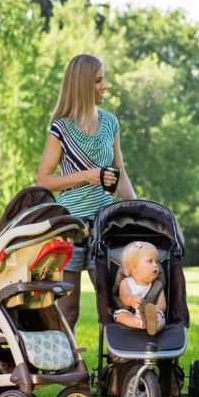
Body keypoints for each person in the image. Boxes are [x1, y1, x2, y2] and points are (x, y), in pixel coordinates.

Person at [36, 54, 136, 331]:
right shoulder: (61, 128)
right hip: (69, 227)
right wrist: (87, 176)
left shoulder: (110, 122)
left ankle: (115, 368)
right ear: (82, 85)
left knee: (112, 303)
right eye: (98, 81)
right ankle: (69, 370)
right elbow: (43, 179)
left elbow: (121, 172)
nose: (105, 86)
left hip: (104, 225)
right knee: (69, 309)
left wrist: (139, 207)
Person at [113, 241, 166, 335]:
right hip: (130, 313)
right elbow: (124, 296)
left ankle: (154, 327)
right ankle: (138, 322)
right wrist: (131, 299)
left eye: (156, 261)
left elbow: (163, 305)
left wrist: (154, 309)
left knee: (161, 317)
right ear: (134, 269)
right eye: (150, 261)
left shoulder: (157, 285)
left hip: (150, 315)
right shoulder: (126, 282)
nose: (155, 265)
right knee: (120, 315)